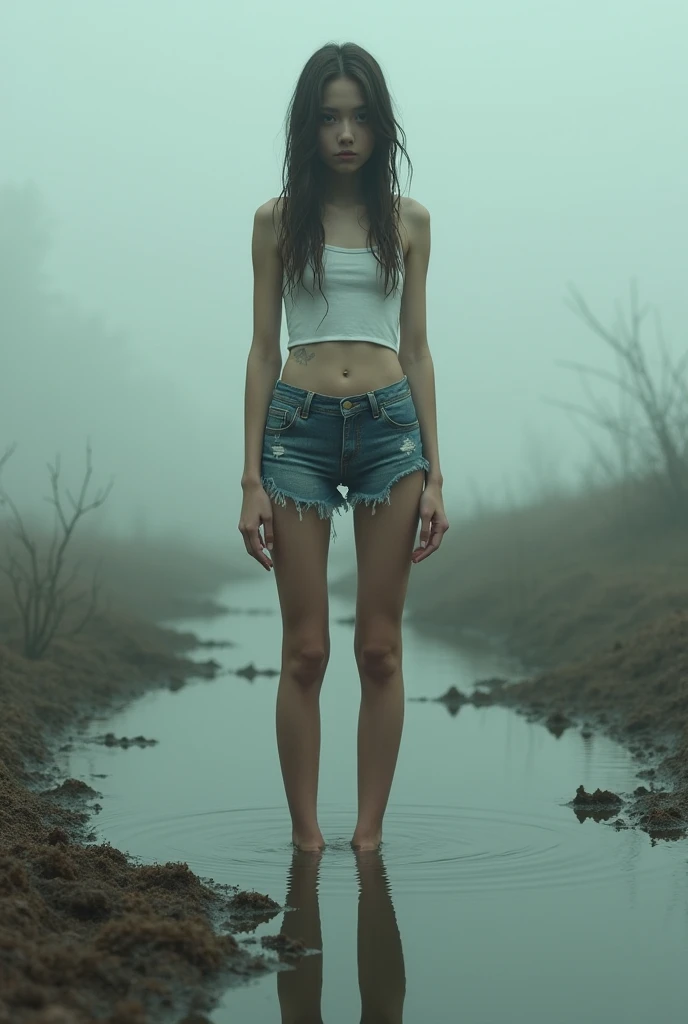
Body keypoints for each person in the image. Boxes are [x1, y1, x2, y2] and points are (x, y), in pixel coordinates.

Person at [238, 41, 449, 853]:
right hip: (296, 431)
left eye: (359, 116)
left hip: (393, 432)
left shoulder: (410, 223)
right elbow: (261, 348)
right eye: (329, 117)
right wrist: (250, 478)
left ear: (380, 125)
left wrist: (436, 474)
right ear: (308, 127)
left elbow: (421, 348)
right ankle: (306, 839)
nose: (345, 133)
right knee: (305, 650)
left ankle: (366, 838)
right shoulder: (275, 221)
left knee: (380, 649)